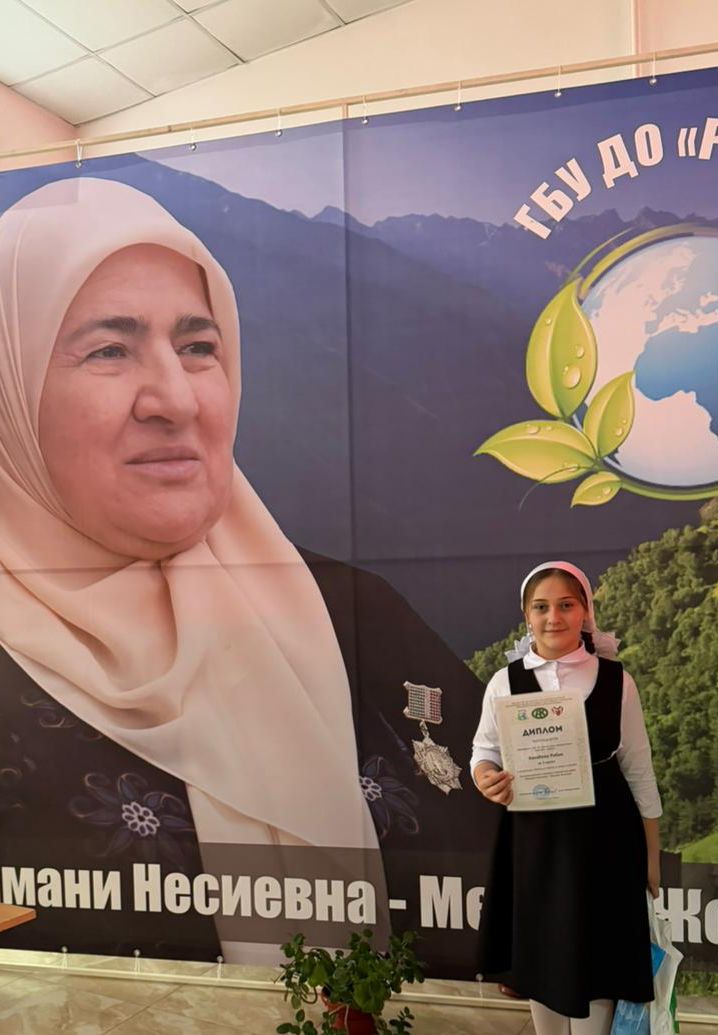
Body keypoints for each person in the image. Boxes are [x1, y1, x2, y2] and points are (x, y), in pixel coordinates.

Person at [0, 177, 494, 965]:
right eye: (109, 350)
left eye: (198, 347)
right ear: (11, 391)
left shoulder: (352, 614)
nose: (175, 399)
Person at [471, 561, 662, 1035]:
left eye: (566, 605)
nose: (553, 617)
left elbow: (639, 769)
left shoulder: (617, 680)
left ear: (585, 612)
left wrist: (652, 855)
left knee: (598, 957)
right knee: (542, 953)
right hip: (533, 839)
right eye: (541, 607)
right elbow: (483, 751)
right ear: (526, 615)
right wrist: (485, 777)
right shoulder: (504, 681)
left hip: (605, 838)